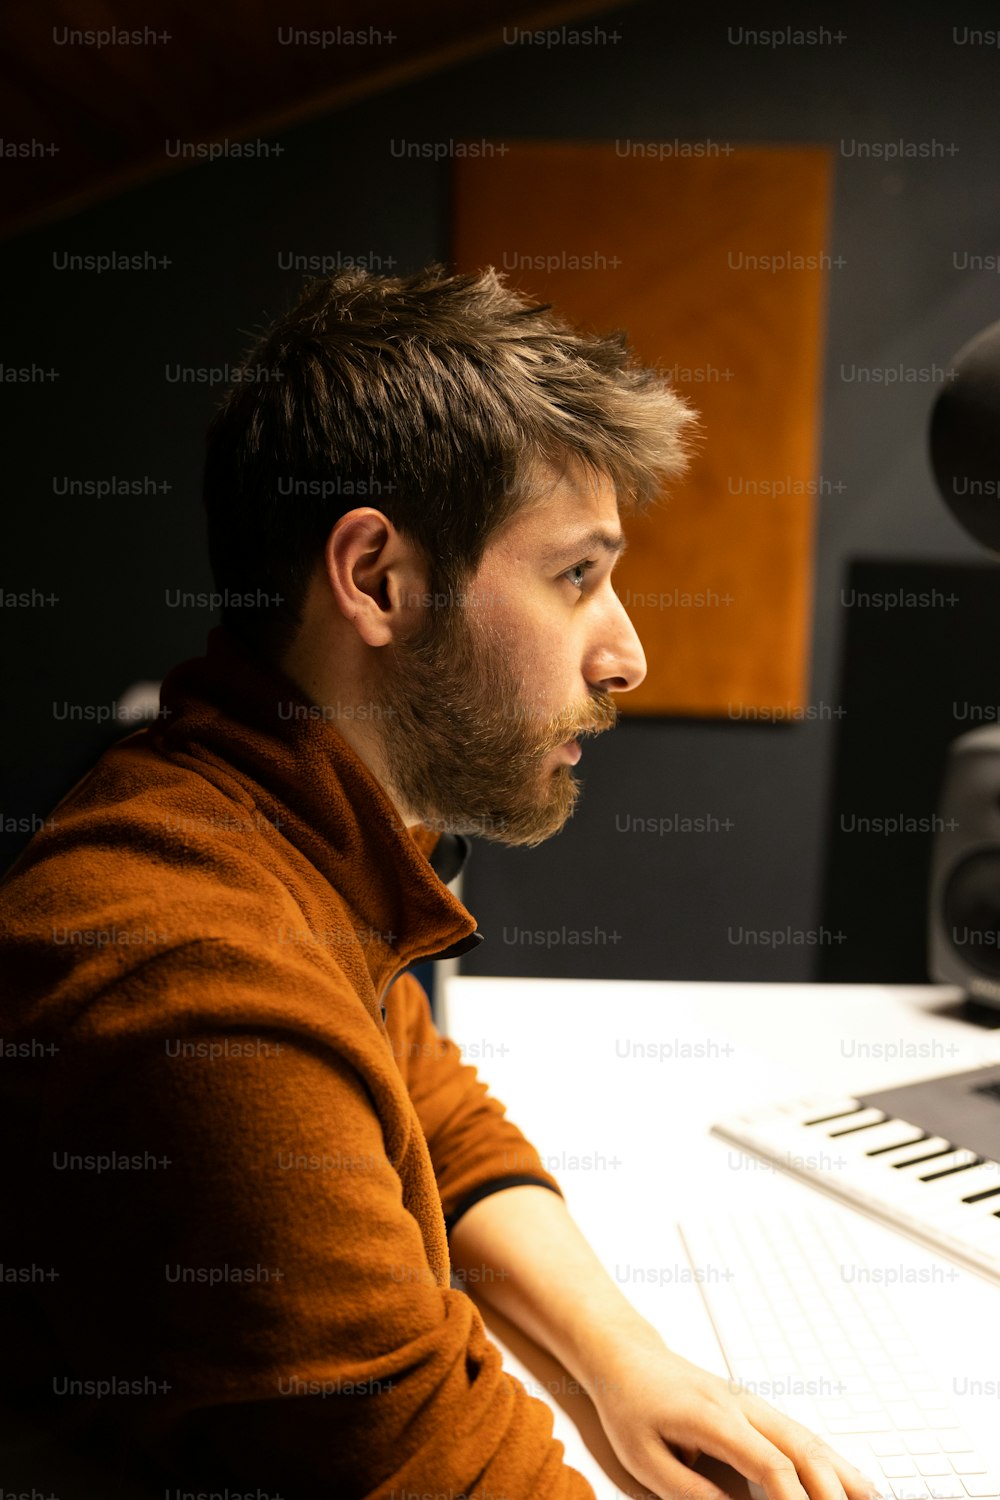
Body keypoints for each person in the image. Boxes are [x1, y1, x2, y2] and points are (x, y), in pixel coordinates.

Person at [0, 265, 879, 1500]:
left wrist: (624, 1364)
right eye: (577, 574)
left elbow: (424, 1100)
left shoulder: (274, 831)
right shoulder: (202, 991)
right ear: (375, 579)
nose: (628, 653)